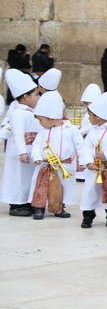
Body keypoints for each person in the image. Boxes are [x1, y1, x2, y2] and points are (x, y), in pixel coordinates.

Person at [26, 91, 78, 219]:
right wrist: (37, 157)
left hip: (63, 166)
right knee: (41, 186)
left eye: (41, 120)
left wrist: (83, 161)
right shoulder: (43, 131)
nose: (40, 123)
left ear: (51, 117)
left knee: (62, 188)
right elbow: (37, 145)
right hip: (46, 165)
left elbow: (80, 146)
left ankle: (59, 208)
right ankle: (39, 208)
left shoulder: (71, 130)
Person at [80, 92, 107, 229]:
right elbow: (86, 148)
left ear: (98, 117)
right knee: (90, 192)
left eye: (90, 115)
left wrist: (106, 155)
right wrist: (88, 162)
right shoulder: (92, 131)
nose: (89, 118)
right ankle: (88, 215)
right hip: (94, 168)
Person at [3, 69, 41, 215]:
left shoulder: (31, 112)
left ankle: (26, 202)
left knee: (27, 178)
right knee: (17, 179)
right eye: (36, 94)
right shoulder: (18, 113)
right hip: (19, 154)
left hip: (29, 152)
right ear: (25, 97)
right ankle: (16, 204)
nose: (38, 97)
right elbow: (18, 134)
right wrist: (22, 152)